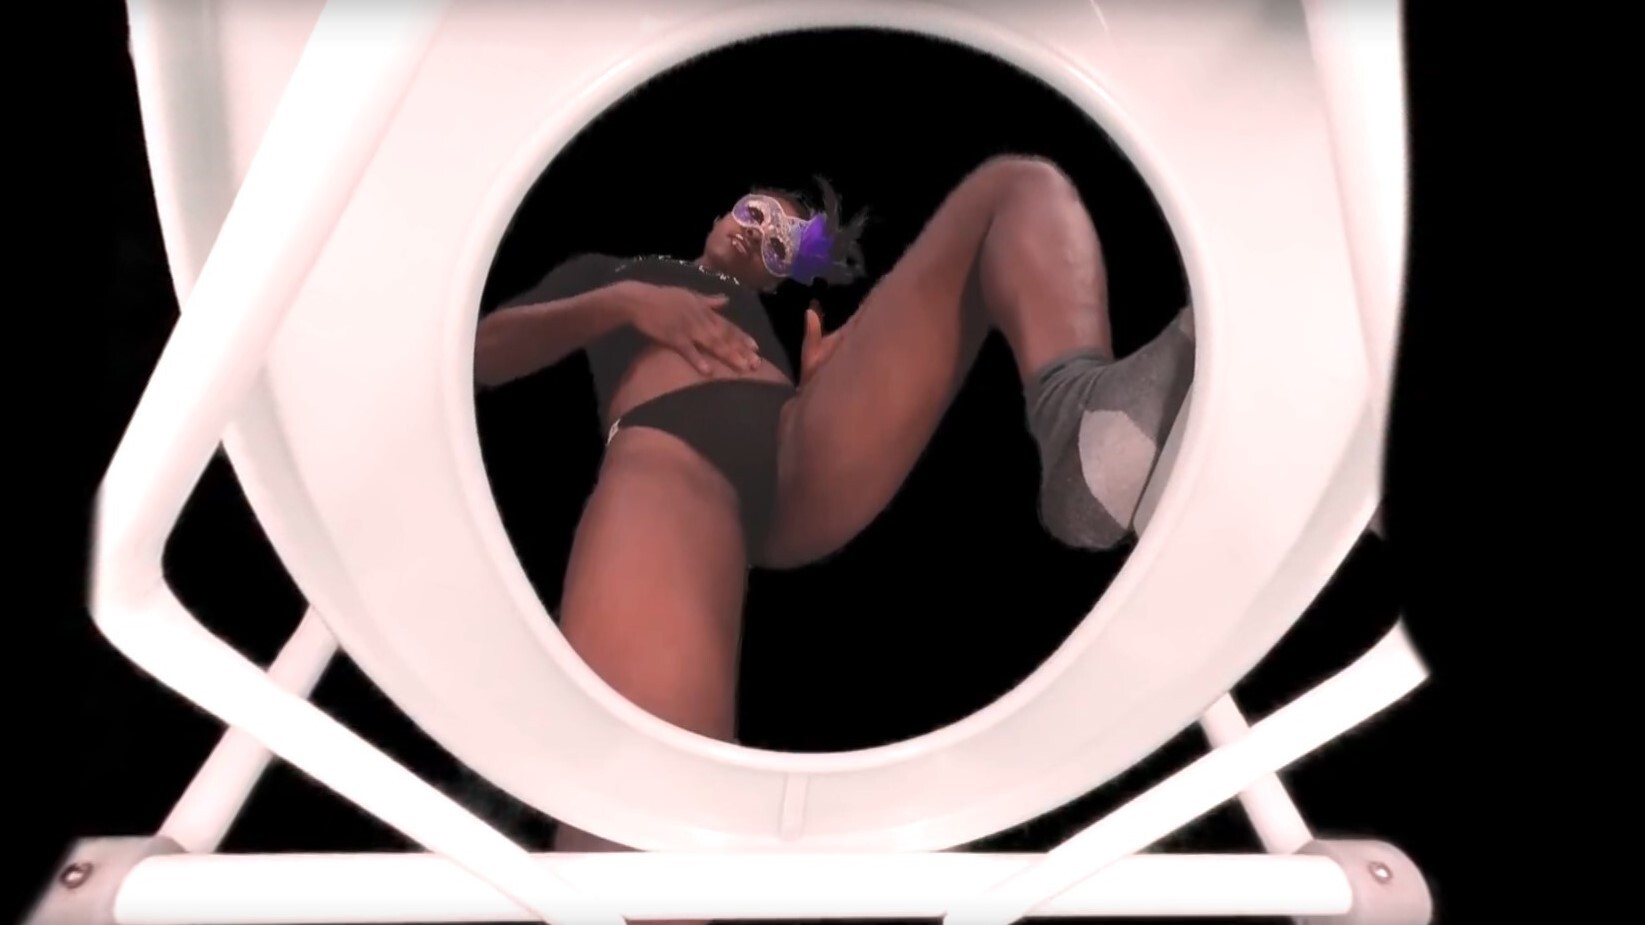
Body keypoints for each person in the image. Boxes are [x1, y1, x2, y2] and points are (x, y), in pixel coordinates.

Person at [473, 154, 1195, 893]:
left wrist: (815, 389)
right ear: (721, 213)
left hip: (796, 444)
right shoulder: (618, 274)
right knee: (642, 809)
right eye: (756, 215)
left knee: (1015, 188)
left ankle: (1075, 420)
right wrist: (627, 304)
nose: (760, 236)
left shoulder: (768, 326)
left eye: (780, 247)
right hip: (674, 456)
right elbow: (485, 351)